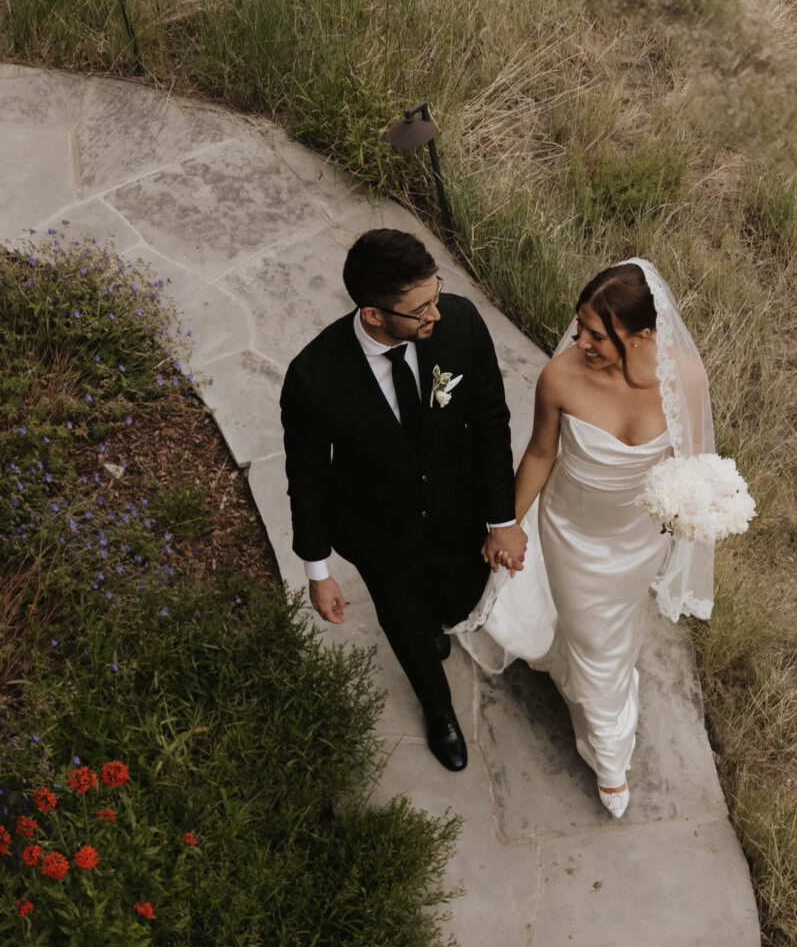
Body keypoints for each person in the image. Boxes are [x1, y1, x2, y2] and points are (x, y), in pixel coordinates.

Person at [456, 257, 715, 817]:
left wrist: (690, 512)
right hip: (573, 534)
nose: (581, 341)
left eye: (598, 334)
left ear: (642, 334)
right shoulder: (562, 378)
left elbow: (690, 464)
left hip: (640, 540)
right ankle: (610, 757)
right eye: (579, 327)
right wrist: (507, 525)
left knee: (615, 632)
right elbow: (541, 454)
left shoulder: (686, 379)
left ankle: (576, 664)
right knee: (599, 647)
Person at [280, 226, 526, 772]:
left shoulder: (459, 323)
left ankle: (438, 623)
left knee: (456, 595)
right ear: (373, 314)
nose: (435, 313)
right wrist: (317, 570)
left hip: (459, 509)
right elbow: (309, 476)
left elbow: (491, 422)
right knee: (404, 621)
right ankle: (438, 710)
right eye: (419, 310)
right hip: (377, 527)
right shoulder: (313, 378)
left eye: (435, 294)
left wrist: (501, 518)